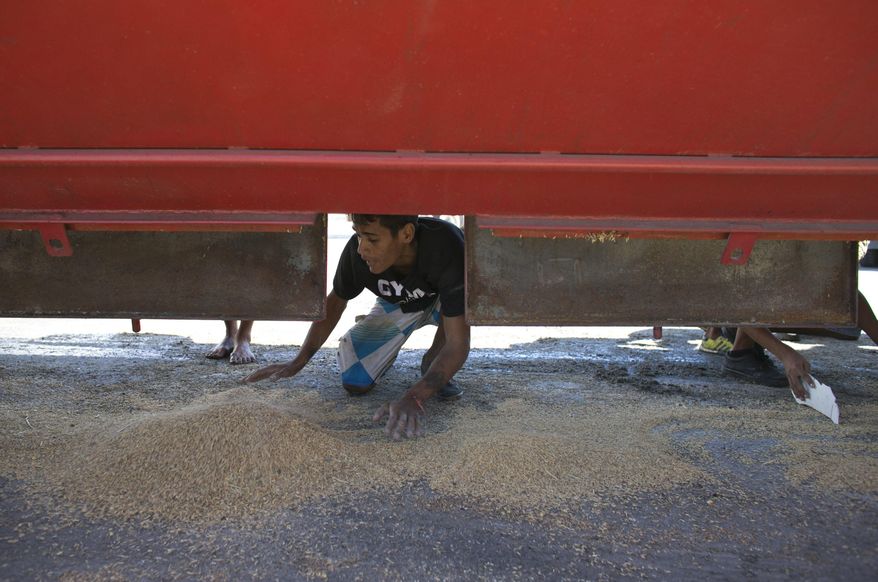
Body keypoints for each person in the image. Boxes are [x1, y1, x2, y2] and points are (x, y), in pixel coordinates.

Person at [245, 215, 470, 441]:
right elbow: (335, 303)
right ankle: (391, 345)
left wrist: (416, 396)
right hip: (398, 304)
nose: (362, 249)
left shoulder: (445, 244)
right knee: (355, 381)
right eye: (358, 235)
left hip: (446, 303)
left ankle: (432, 360)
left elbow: (458, 344)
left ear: (406, 234)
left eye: (372, 239)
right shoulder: (356, 252)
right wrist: (299, 360)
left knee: (450, 334)